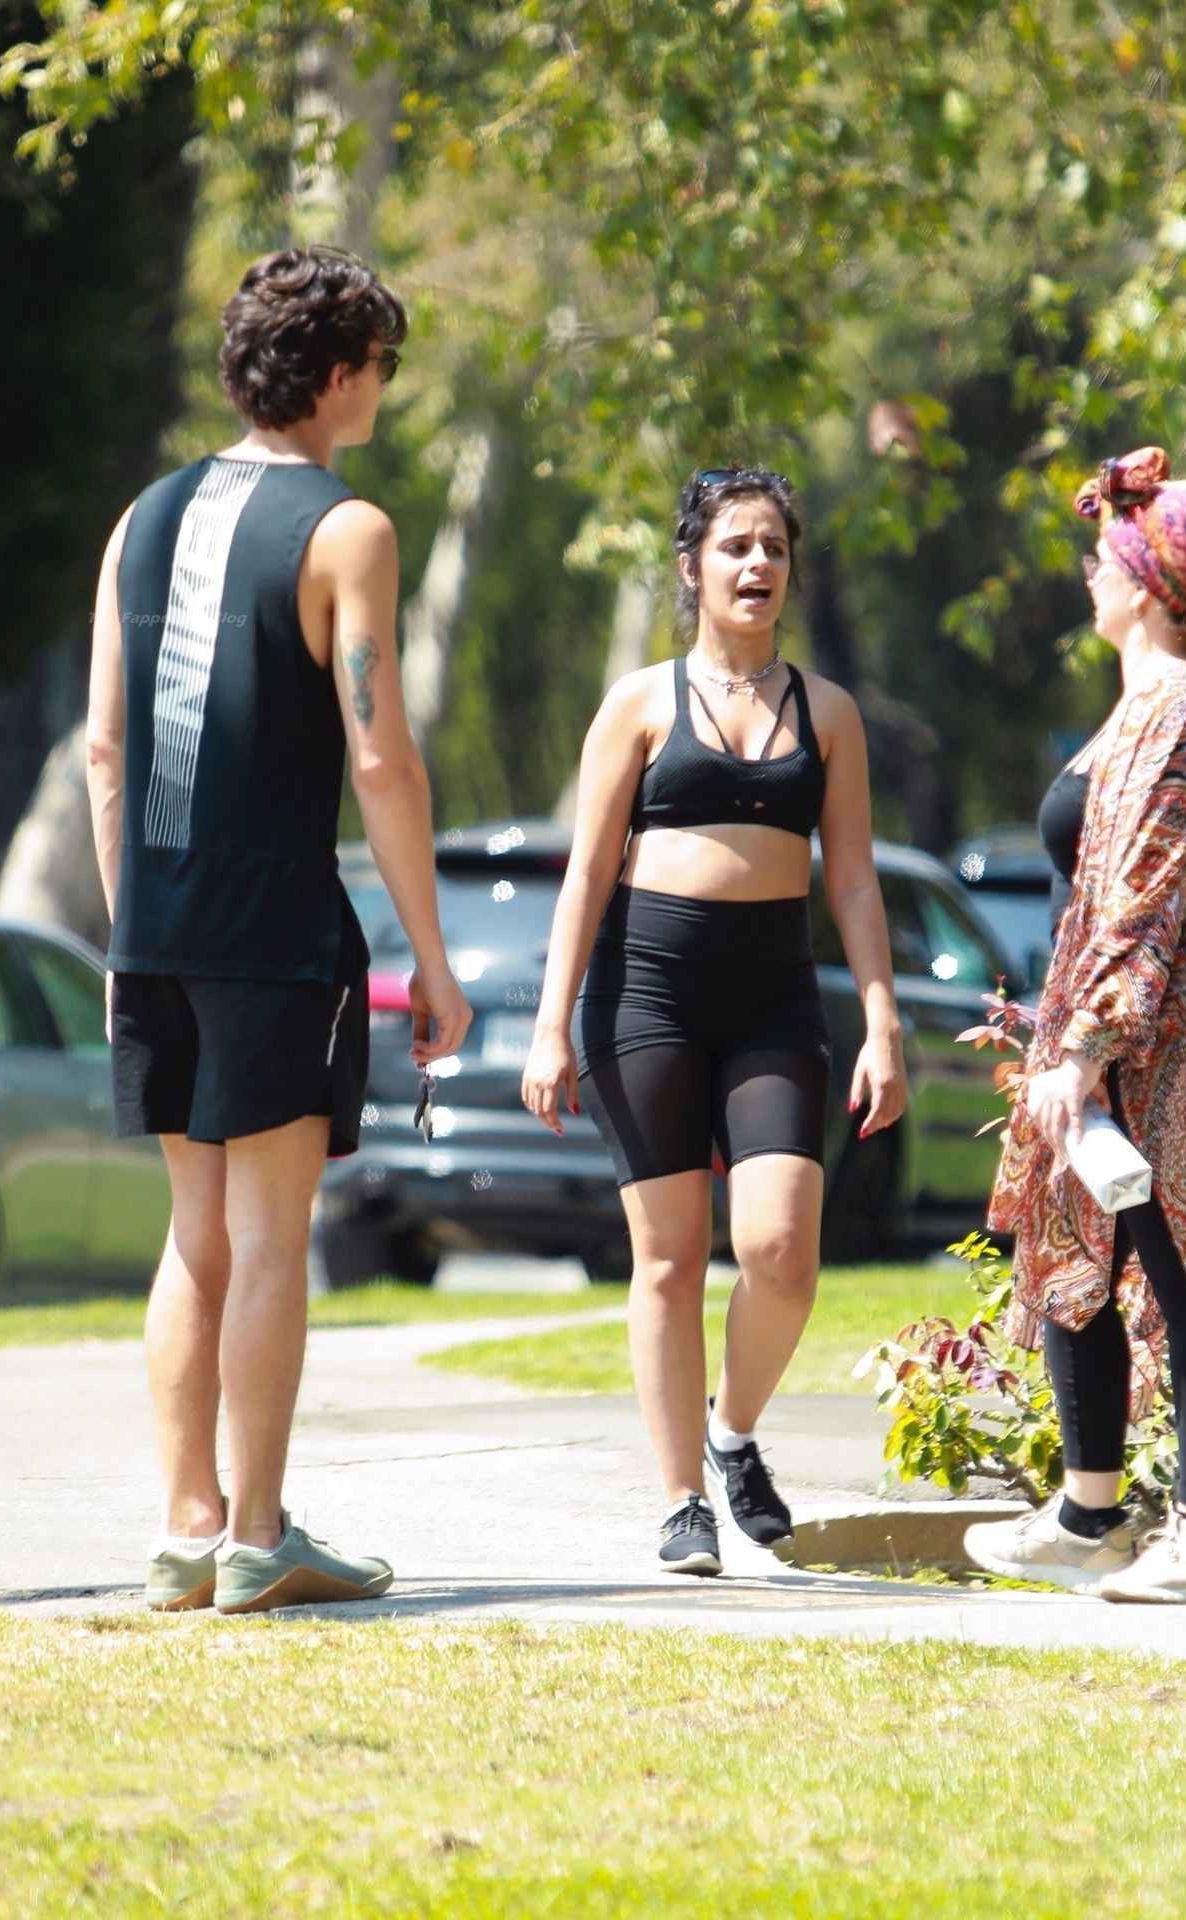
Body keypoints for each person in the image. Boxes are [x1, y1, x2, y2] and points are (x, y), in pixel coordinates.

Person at [86, 245, 471, 1615]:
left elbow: (103, 749)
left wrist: (135, 930)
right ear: (340, 372)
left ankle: (187, 1528)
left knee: (193, 1236)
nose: (383, 386)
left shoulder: (142, 517)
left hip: (156, 932)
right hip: (274, 937)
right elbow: (382, 761)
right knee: (266, 1238)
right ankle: (258, 1536)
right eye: (381, 363)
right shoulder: (347, 528)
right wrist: (431, 961)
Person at [521, 467, 906, 1575]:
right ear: (691, 568)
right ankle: (682, 1500)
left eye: (773, 547)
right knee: (671, 1257)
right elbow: (586, 875)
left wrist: (881, 1022)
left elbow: (853, 882)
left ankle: (730, 1434)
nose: (756, 564)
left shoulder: (828, 713)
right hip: (644, 994)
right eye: (735, 545)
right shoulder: (639, 704)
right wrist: (550, 1025)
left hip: (774, 998)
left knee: (781, 1249)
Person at [965, 446, 1186, 1604]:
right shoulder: (1139, 706)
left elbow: (1141, 895)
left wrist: (1082, 1047)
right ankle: (1088, 1519)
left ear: (1144, 584)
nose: (1086, 574)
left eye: (1101, 559)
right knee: (1074, 1247)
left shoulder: (1176, 711)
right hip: (1128, 1029)